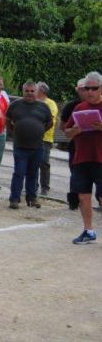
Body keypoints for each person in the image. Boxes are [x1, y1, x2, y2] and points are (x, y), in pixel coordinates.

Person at [64, 71, 102, 244]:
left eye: (94, 88)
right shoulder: (79, 108)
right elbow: (67, 133)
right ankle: (89, 231)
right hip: (82, 158)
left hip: (100, 158)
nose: (90, 92)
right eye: (87, 88)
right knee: (83, 196)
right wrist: (74, 130)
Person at [5, 81, 52, 209]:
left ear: (36, 92)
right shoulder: (15, 105)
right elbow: (8, 120)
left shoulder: (44, 107)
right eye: (27, 91)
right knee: (19, 173)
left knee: (33, 173)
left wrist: (38, 131)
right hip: (20, 146)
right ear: (23, 91)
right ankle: (14, 199)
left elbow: (49, 123)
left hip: (37, 147)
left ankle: (32, 198)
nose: (30, 93)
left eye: (32, 91)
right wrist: (15, 132)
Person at [60, 79, 87, 209]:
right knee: (75, 173)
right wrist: (73, 130)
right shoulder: (72, 106)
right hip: (76, 144)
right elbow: (63, 126)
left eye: (87, 88)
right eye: (81, 89)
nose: (85, 92)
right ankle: (73, 201)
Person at [36, 82, 58, 196]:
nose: (34, 91)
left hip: (45, 138)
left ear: (42, 91)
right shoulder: (34, 102)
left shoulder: (51, 103)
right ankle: (33, 186)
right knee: (32, 162)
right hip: (33, 137)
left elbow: (50, 119)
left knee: (44, 163)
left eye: (36, 89)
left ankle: (45, 187)